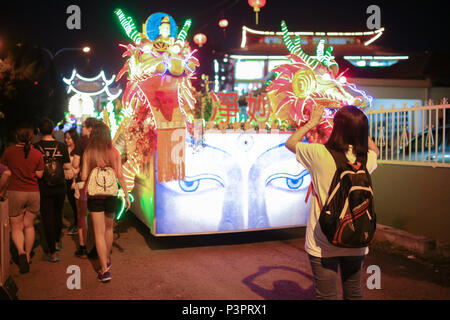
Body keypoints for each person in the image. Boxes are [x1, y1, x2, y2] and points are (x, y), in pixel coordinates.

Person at [285, 104, 380, 300]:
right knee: (354, 293)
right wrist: (360, 127)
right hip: (356, 238)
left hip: (323, 240)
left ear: (337, 128)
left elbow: (291, 143)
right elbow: (375, 149)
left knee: (327, 296)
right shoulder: (367, 159)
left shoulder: (319, 154)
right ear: (362, 131)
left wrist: (313, 122)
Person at [81, 122, 130, 282]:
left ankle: (104, 269)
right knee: (109, 229)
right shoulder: (114, 152)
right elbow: (120, 175)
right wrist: (127, 194)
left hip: (95, 196)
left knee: (98, 233)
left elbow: (83, 177)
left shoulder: (89, 151)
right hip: (111, 194)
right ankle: (107, 260)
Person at [0, 124, 44, 273]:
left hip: (15, 192)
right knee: (29, 225)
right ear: (30, 138)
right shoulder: (37, 154)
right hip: (33, 192)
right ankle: (28, 254)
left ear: (16, 137)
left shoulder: (9, 152)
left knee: (17, 227)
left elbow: (4, 170)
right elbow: (40, 175)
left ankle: (20, 252)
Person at [34, 118, 72, 262]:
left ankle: (52, 252)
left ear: (38, 130)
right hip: (60, 186)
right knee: (57, 214)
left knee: (47, 217)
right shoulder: (61, 146)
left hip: (43, 186)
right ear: (52, 130)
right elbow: (67, 168)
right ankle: (57, 241)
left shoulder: (35, 147)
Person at [72, 117, 99, 258]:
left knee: (82, 215)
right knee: (96, 215)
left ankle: (82, 247)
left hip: (83, 184)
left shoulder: (81, 142)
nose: (81, 129)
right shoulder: (101, 143)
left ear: (89, 128)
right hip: (98, 184)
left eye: (83, 126)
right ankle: (96, 247)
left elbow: (75, 164)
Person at [65, 128, 79, 235]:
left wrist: (75, 180)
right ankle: (76, 222)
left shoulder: (78, 150)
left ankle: (78, 224)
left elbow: (80, 166)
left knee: (77, 204)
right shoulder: (65, 149)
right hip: (67, 179)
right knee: (72, 202)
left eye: (69, 138)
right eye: (66, 138)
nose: (67, 140)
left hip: (77, 180)